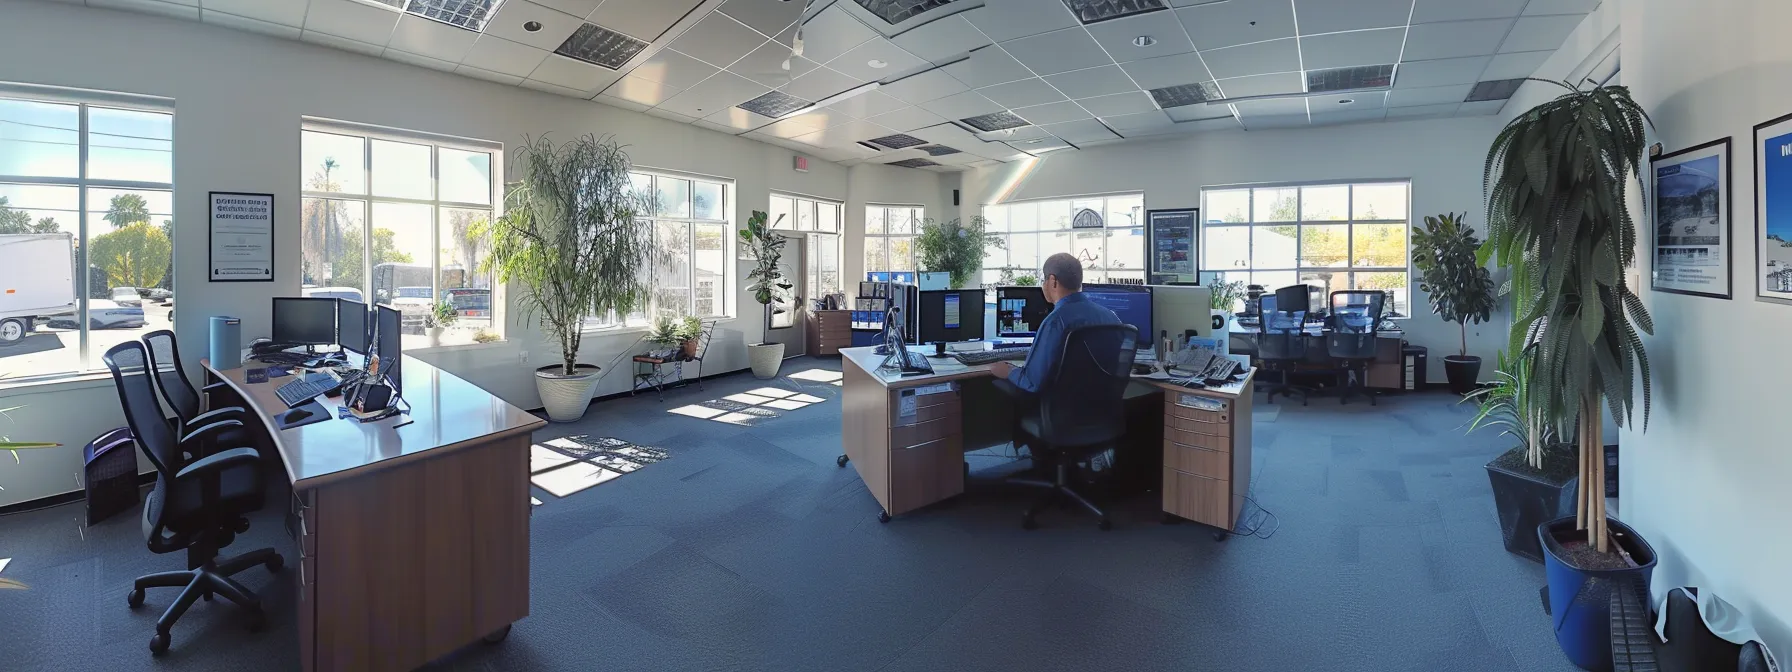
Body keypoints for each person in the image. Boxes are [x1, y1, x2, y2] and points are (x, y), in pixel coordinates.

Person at [989, 253, 1119, 391]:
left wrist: (1008, 371)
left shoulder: (1055, 322)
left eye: (1044, 280)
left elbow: (1032, 382)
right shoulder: (1111, 317)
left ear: (1053, 281)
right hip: (1105, 407)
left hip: (1062, 409)